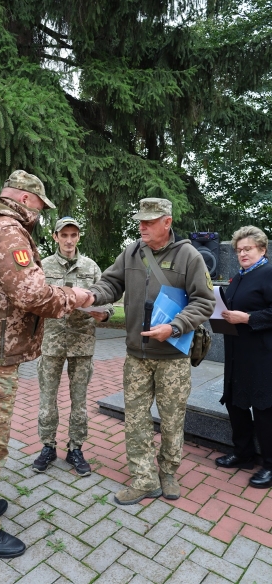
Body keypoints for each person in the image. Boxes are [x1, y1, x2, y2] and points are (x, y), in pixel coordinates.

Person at [0, 170, 93, 559]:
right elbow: (32, 294)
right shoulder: (7, 230)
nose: (39, 216)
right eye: (40, 208)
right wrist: (73, 296)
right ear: (27, 200)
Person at [89, 198, 215, 505]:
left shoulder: (189, 256)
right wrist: (92, 296)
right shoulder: (132, 251)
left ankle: (168, 472)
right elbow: (110, 283)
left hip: (172, 356)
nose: (142, 226)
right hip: (136, 355)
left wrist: (174, 326)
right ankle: (144, 478)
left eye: (149, 221)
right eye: (140, 221)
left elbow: (205, 302)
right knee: (135, 419)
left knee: (172, 419)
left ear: (167, 222)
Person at [32, 217, 113, 476]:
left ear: (79, 237)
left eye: (73, 235)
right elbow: (32, 300)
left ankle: (75, 448)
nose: (69, 240)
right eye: (64, 235)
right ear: (55, 236)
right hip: (51, 342)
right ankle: (47, 446)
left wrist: (105, 313)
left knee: (79, 402)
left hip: (82, 342)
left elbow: (107, 297)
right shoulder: (42, 266)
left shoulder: (90, 267)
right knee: (47, 400)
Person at [215, 226, 272, 489]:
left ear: (262, 249)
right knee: (236, 403)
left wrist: (248, 318)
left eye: (247, 249)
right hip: (237, 350)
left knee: (263, 410)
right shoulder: (238, 277)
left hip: (262, 353)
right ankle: (243, 453)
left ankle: (270, 465)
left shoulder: (268, 273)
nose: (242, 254)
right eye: (239, 250)